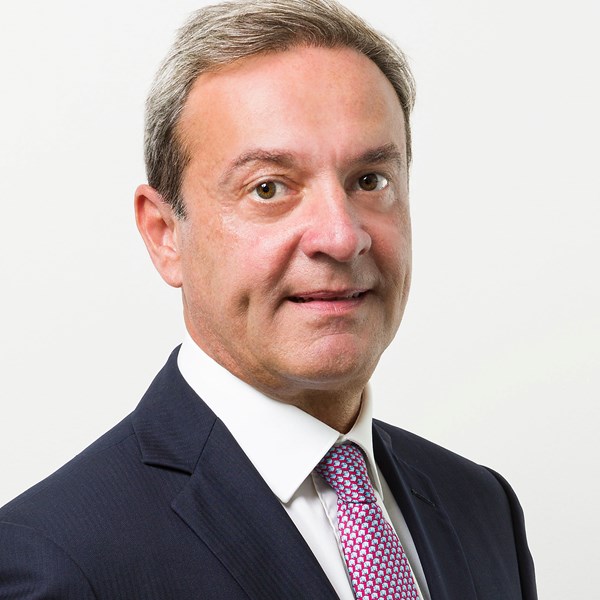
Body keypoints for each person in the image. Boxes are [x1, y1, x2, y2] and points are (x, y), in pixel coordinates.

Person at [0, 1, 537, 598]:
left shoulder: (481, 507)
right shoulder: (56, 561)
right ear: (165, 234)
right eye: (268, 188)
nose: (341, 236)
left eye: (370, 181)